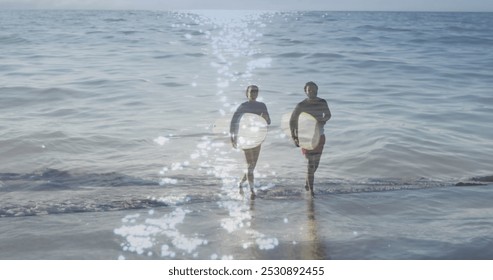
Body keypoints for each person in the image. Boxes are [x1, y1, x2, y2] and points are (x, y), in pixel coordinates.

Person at [290, 81, 331, 198]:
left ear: (317, 90)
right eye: (309, 90)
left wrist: (323, 120)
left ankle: (307, 182)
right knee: (310, 164)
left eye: (314, 89)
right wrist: (294, 137)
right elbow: (292, 121)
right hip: (306, 137)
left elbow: (328, 114)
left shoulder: (322, 102)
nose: (312, 91)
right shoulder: (301, 105)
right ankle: (311, 191)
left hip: (320, 135)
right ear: (305, 91)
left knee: (316, 164)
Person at [230, 85, 271, 199]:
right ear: (247, 93)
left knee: (252, 166)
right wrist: (233, 138)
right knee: (250, 165)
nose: (253, 94)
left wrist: (266, 117)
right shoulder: (243, 106)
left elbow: (268, 122)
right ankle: (252, 190)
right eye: (251, 92)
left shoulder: (262, 106)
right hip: (246, 138)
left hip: (258, 137)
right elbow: (234, 122)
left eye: (255, 92)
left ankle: (241, 183)